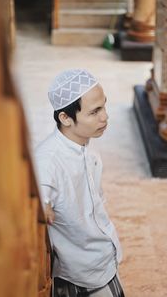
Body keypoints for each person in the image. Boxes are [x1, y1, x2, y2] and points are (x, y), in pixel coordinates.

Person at [35, 69, 125, 297]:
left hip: (104, 256)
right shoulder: (48, 160)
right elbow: (39, 189)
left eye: (104, 106)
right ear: (65, 118)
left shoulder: (87, 151)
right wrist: (41, 204)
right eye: (94, 112)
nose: (104, 117)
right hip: (79, 272)